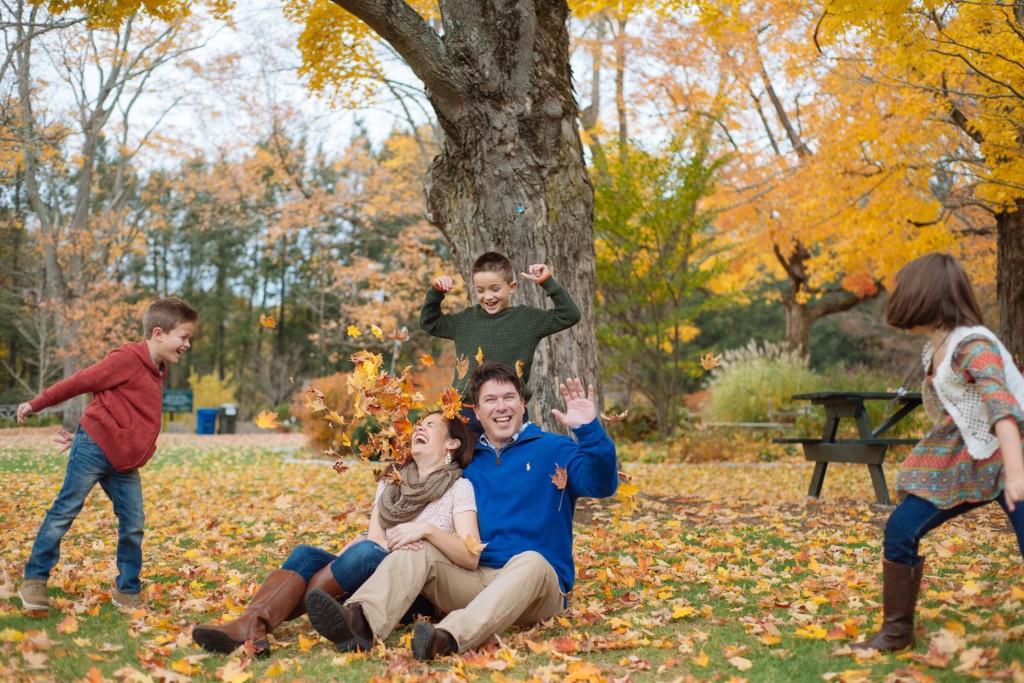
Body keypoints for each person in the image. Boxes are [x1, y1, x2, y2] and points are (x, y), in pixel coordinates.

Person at [304, 362, 618, 659]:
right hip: (476, 577)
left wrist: (589, 430)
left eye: (509, 397)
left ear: (523, 404)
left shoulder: (555, 449)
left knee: (532, 561)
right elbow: (427, 483)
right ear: (478, 412)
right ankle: (361, 623)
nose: (501, 406)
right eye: (490, 400)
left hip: (538, 586)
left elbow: (602, 484)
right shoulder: (466, 461)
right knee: (420, 546)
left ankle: (448, 638)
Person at [192, 411, 478, 658]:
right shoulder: (392, 481)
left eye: (430, 425)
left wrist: (425, 532)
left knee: (365, 551)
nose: (419, 428)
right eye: (418, 424)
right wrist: (374, 545)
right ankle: (253, 624)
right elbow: (375, 537)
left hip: (408, 589)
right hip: (369, 569)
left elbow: (469, 555)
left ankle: (252, 625)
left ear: (452, 443)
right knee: (305, 554)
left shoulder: (458, 489)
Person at [851, 253, 1024, 652]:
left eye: (903, 295)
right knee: (900, 528)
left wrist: (1016, 475)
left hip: (1012, 456)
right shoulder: (938, 346)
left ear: (925, 298)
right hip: (973, 459)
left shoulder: (973, 345)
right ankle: (896, 633)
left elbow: (1002, 408)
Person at [16, 297, 199, 613]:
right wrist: (37, 404)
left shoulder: (158, 369)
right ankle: (34, 580)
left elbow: (117, 406)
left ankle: (127, 591)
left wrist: (91, 431)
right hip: (95, 450)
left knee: (134, 521)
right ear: (158, 333)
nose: (187, 344)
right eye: (183, 337)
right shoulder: (126, 359)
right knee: (65, 511)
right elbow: (81, 382)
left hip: (121, 459)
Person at [421, 251, 581, 432]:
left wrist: (546, 280)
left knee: (512, 459)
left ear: (511, 287)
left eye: (495, 289)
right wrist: (436, 292)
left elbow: (569, 315)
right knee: (466, 461)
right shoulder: (464, 321)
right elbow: (430, 322)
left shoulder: (527, 320)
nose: (487, 297)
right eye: (480, 290)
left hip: (508, 411)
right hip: (466, 413)